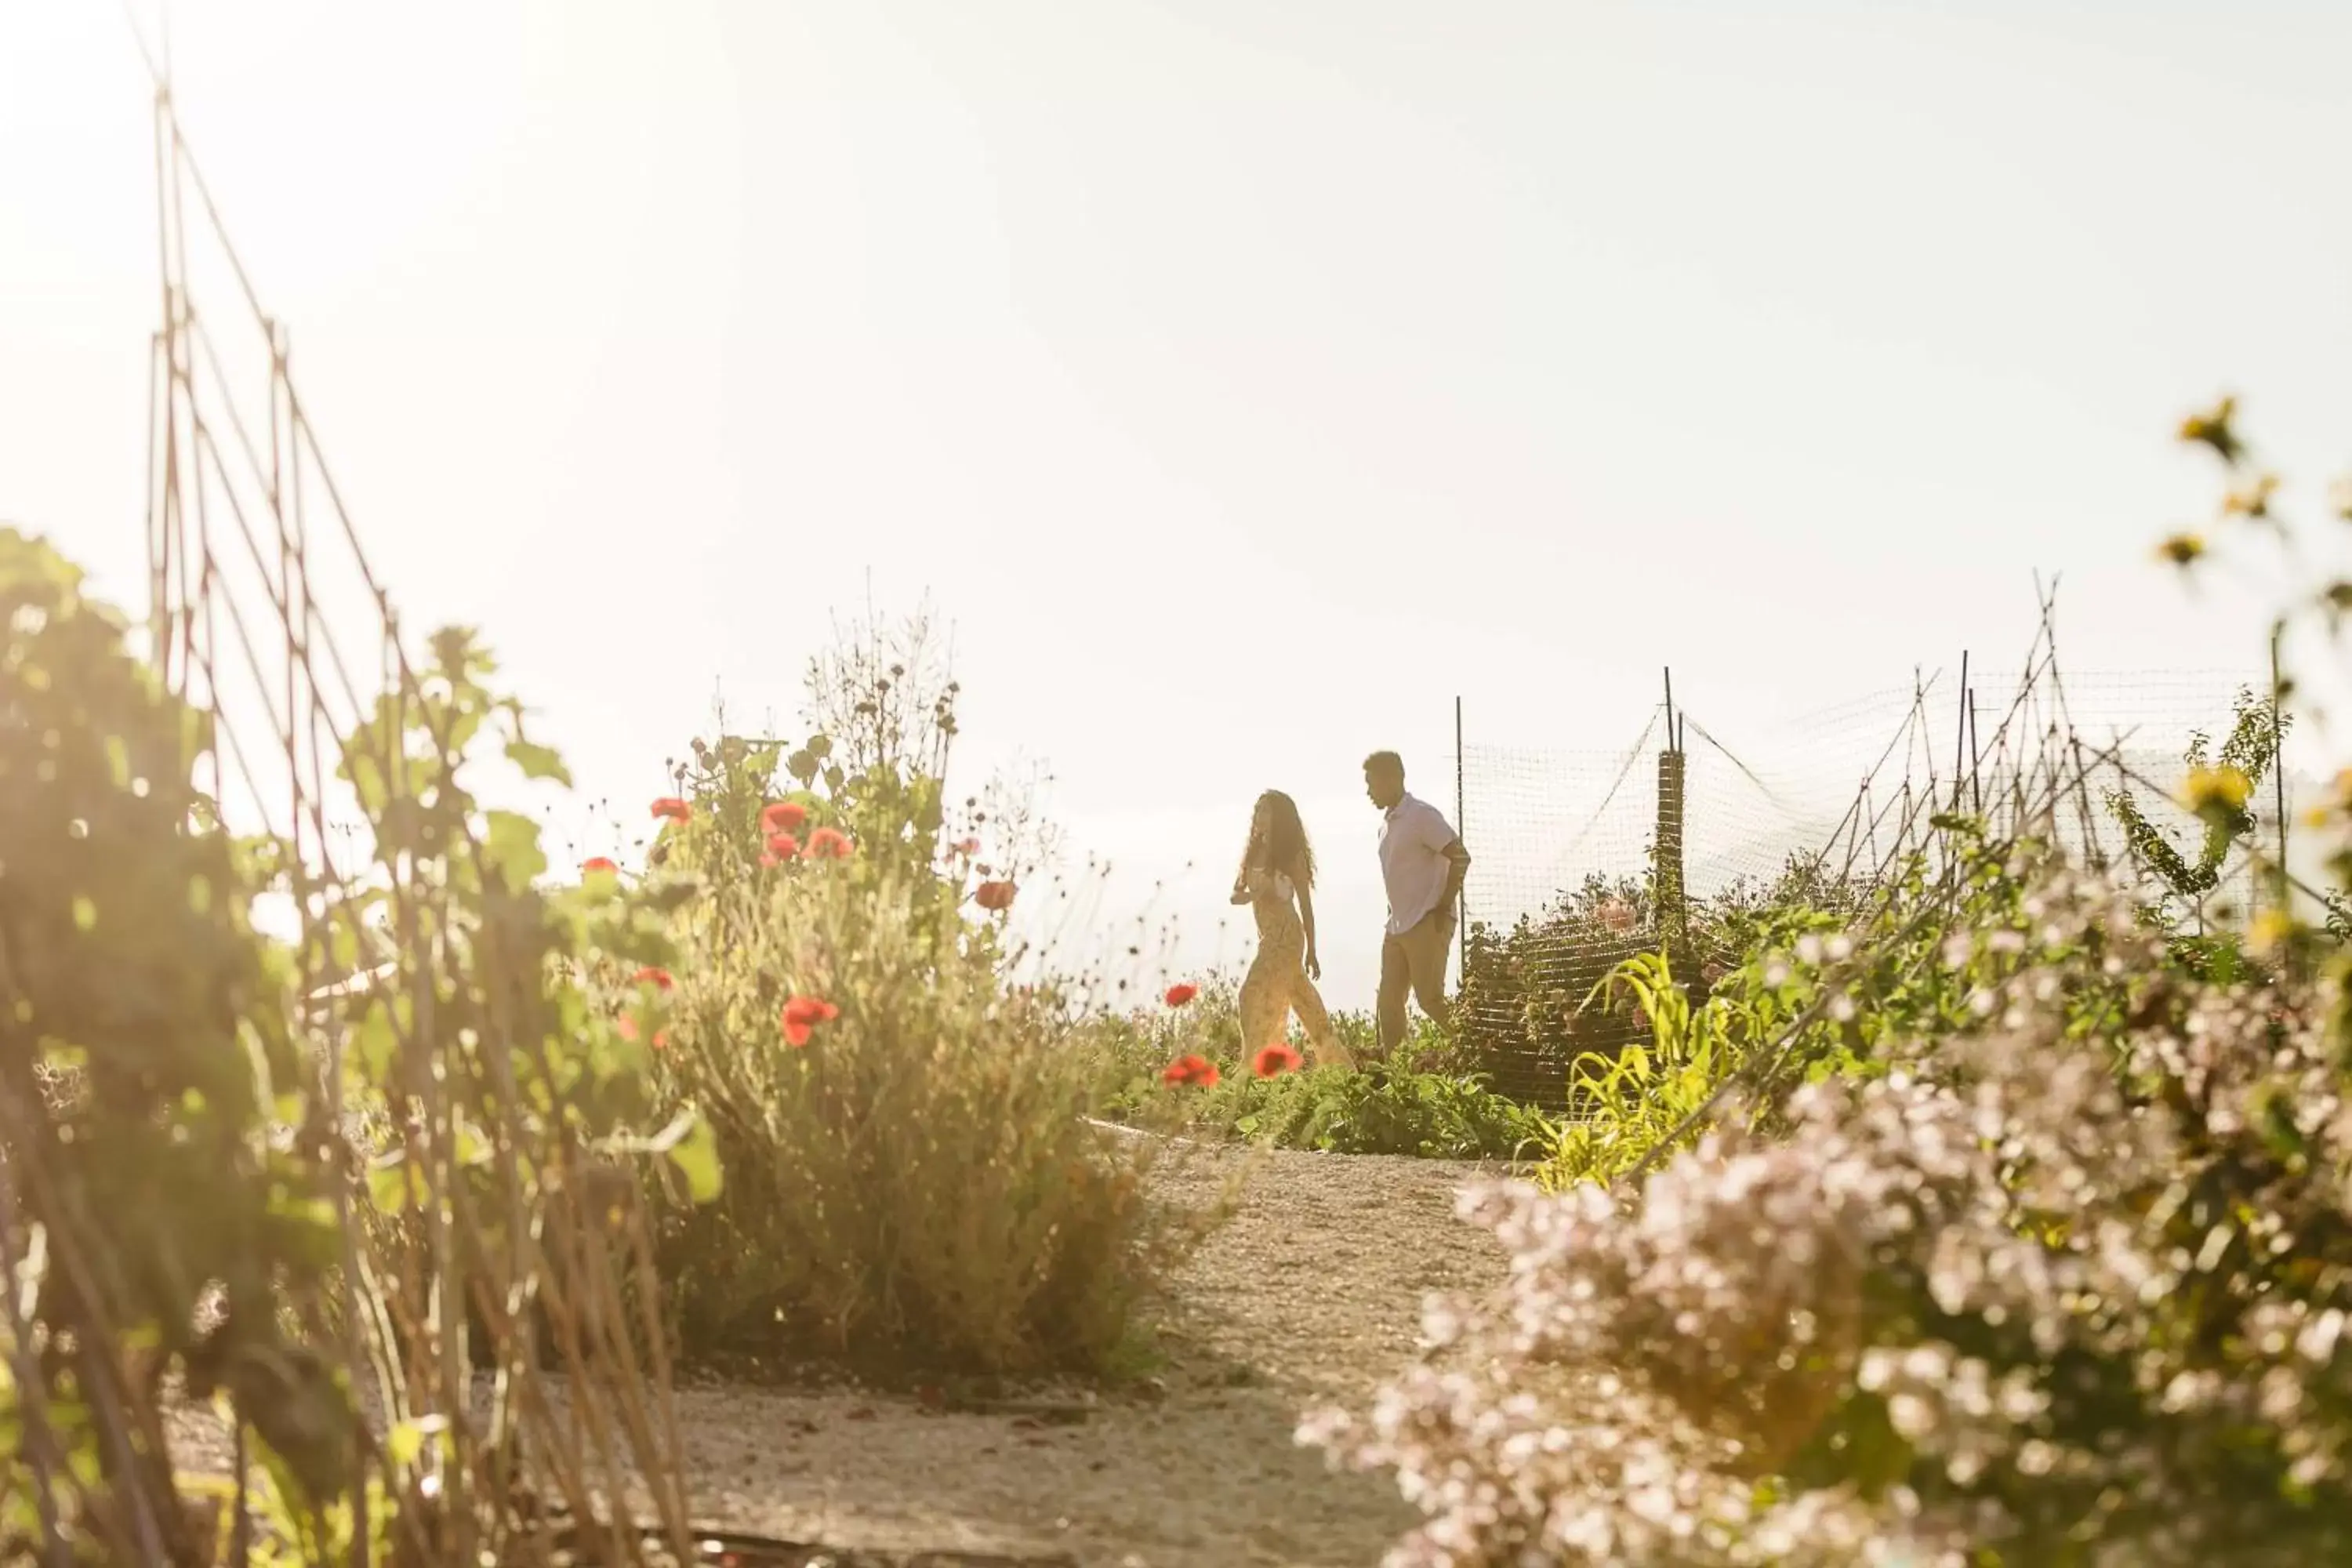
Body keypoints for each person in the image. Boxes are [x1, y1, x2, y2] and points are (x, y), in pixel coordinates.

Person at [1230, 790, 1353, 1069]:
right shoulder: (1253, 852)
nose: (1258, 816)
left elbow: (1306, 907)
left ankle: (1253, 1065)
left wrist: (1312, 950)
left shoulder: (1290, 857)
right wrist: (1253, 895)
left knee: (1251, 993)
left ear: (1280, 818)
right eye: (1257, 810)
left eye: (1266, 811)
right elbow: (1235, 895)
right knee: (1303, 1004)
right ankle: (1342, 1071)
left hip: (1287, 935)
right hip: (1268, 936)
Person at [1363, 750, 1470, 1055]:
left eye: (1372, 783)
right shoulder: (1386, 826)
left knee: (1430, 999)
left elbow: (1460, 856)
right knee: (1389, 1002)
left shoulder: (1421, 815)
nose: (1368, 791)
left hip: (1427, 920)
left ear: (1393, 779)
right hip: (1397, 926)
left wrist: (1442, 907)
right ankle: (1399, 1076)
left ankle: (1478, 1048)